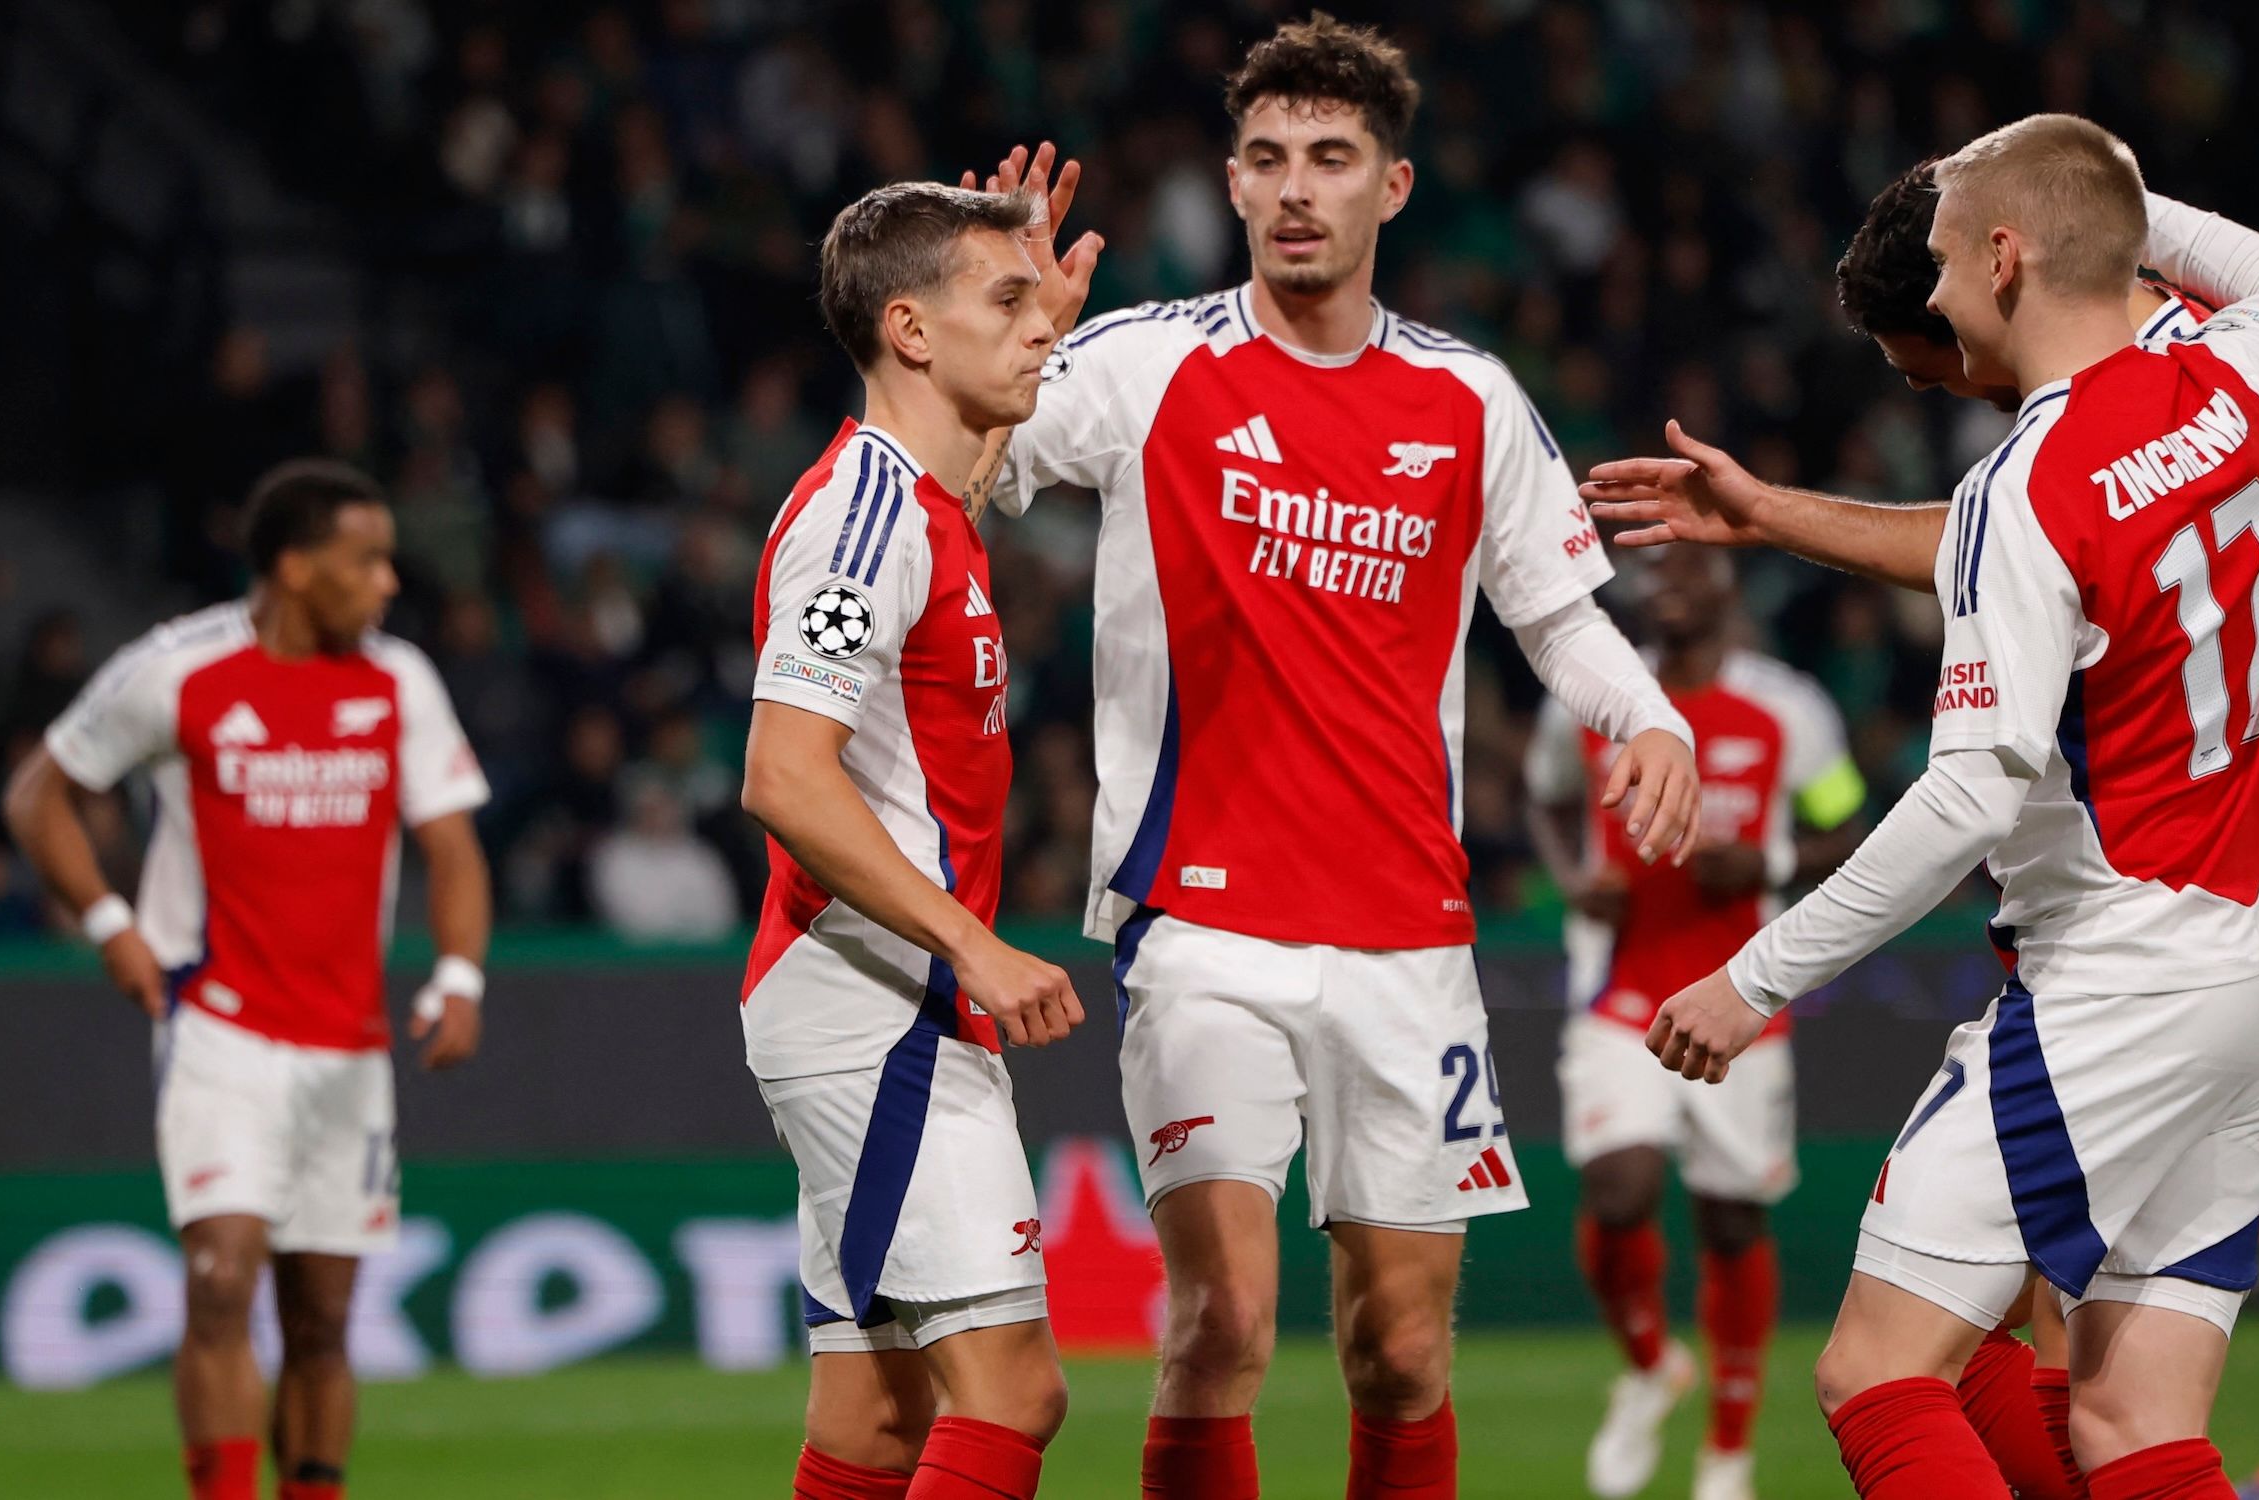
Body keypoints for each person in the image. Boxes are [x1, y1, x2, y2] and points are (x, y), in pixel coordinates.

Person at [1594, 155, 2259, 1500]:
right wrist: (2090, 195)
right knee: (2127, 1429)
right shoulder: (2247, 380)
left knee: (1874, 1372)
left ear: (2000, 262)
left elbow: (1976, 782)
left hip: (2120, 981)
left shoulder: (2024, 486)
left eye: (1939, 282)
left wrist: (1756, 981)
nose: (1934, 343)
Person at [970, 17, 1701, 1497]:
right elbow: (957, 457)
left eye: (1331, 159)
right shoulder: (1139, 363)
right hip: (1203, 924)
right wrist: (1001, 323)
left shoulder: (1469, 399)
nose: (1297, 189)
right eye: (1267, 160)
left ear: (1395, 187)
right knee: (1221, 1319)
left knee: (1404, 1351)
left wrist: (1650, 716)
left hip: (1406, 937)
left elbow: (1558, 614)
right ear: (1231, 186)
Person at [2, 461, 493, 1500]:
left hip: (349, 1047)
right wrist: (110, 926)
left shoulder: (398, 681)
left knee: (321, 1322)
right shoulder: (177, 670)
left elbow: (451, 847)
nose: (390, 582)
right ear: (296, 566)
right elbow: (38, 795)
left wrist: (459, 974)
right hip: (219, 1027)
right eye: (368, 561)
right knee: (221, 1279)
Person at [742, 181, 1088, 1500]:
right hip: (878, 1004)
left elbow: (960, 475)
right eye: (1004, 302)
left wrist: (1036, 314)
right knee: (1014, 1388)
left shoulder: (919, 503)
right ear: (910, 329)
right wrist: (974, 946)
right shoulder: (864, 517)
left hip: (874, 999)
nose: (1040, 329)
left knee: (876, 1424)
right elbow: (784, 774)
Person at [1523, 546, 1863, 1500]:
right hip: (1617, 989)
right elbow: (1549, 799)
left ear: (1725, 589)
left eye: (1685, 573)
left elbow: (1844, 823)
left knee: (1729, 1217)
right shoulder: (1594, 697)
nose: (1663, 589)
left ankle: (1728, 1449)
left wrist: (1771, 863)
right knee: (1620, 1189)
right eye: (1652, 577)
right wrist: (1570, 877)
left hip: (1740, 994)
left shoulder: (1789, 708)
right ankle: (1646, 1366)